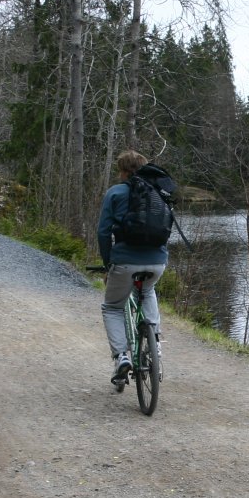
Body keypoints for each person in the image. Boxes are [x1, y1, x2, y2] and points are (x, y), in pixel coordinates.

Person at [98, 149, 168, 386]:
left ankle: (121, 357)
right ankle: (155, 344)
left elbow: (103, 232)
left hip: (125, 261)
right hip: (158, 262)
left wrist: (109, 264)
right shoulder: (158, 193)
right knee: (147, 291)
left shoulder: (115, 193)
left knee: (112, 307)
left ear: (123, 171)